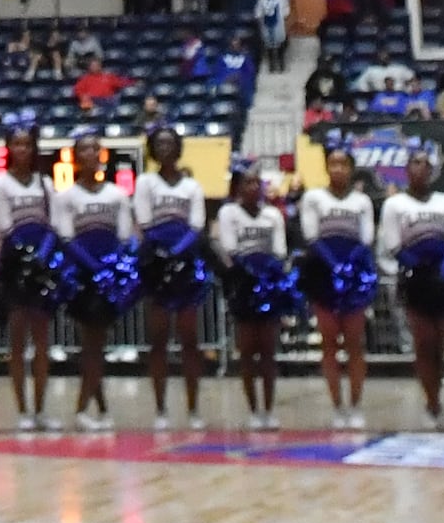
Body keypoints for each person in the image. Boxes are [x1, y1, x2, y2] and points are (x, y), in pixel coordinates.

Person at [130, 122, 212, 425]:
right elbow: (145, 221)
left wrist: (177, 253)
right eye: (160, 144)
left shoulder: (192, 186)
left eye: (170, 143)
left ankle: (193, 409)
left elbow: (197, 224)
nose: (165, 148)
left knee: (190, 339)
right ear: (153, 149)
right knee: (159, 339)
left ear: (178, 148)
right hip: (156, 264)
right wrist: (163, 254)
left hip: (186, 264)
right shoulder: (145, 182)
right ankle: (161, 409)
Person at [377, 147, 444, 423]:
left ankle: (438, 397)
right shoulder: (395, 205)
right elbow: (392, 244)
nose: (420, 169)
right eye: (415, 164)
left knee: (440, 343)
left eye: (425, 164)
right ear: (406, 170)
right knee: (424, 343)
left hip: (442, 279)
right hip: (415, 280)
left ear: (432, 171)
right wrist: (419, 268)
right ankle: (431, 403)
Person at [294, 146, 376, 430]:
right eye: (333, 164)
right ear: (326, 167)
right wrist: (333, 265)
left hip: (354, 272)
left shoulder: (362, 200)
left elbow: (366, 238)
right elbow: (311, 236)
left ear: (351, 169)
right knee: (329, 343)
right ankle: (337, 406)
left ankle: (355, 404)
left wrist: (349, 266)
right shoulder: (314, 197)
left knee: (355, 343)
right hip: (323, 272)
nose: (338, 169)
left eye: (343, 164)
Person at [52, 131, 130, 426]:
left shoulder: (117, 195)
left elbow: (123, 237)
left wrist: (111, 269)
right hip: (82, 279)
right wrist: (94, 269)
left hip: (109, 278)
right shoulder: (66, 196)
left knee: (97, 344)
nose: (90, 155)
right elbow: (66, 238)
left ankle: (100, 409)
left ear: (102, 156)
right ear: (75, 157)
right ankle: (83, 409)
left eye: (95, 149)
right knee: (91, 344)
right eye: (83, 150)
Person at [0, 123, 59, 432]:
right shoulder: (0, 184)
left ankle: (41, 409)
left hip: (40, 268)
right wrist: (24, 256)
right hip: (14, 266)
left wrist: (41, 255)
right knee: (17, 341)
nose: (22, 150)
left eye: (27, 144)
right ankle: (22, 411)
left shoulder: (45, 183)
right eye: (17, 144)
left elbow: (53, 223)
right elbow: (5, 225)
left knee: (42, 342)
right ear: (9, 148)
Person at [209, 165, 290, 428]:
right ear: (238, 187)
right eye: (248, 182)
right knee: (246, 351)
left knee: (268, 351)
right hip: (242, 285)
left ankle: (269, 409)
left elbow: (279, 250)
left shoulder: (273, 215)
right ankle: (253, 410)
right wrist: (248, 271)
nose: (254, 187)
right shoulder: (228, 213)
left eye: (258, 182)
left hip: (268, 284)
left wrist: (268, 275)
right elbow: (230, 249)